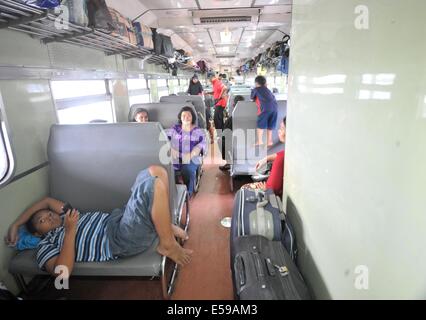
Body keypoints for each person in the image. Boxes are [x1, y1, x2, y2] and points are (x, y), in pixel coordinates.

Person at [4, 166, 193, 277]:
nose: (47, 216)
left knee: (155, 170)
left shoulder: (66, 216)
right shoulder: (47, 243)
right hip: (118, 240)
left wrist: (16, 224)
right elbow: (62, 272)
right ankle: (167, 242)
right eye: (41, 221)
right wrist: (70, 232)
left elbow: (45, 201)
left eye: (45, 214)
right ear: (38, 233)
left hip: (117, 219)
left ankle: (160, 225)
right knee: (153, 185)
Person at [167, 106, 206, 197]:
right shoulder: (175, 128)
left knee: (187, 169)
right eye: (183, 115)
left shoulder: (197, 131)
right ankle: (174, 189)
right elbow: (165, 140)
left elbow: (200, 145)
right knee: (169, 169)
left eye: (189, 115)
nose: (186, 117)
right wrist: (171, 149)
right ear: (180, 117)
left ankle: (188, 192)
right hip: (175, 156)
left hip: (191, 156)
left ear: (192, 118)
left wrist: (190, 155)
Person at [242, 117, 286, 195]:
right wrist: (265, 159)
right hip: (273, 187)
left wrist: (263, 188)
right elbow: (281, 154)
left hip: (271, 193)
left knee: (244, 188)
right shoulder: (290, 153)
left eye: (282, 129)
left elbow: (273, 189)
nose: (279, 131)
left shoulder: (281, 158)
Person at [219, 95, 245, 171]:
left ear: (233, 106)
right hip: (252, 145)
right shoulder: (253, 116)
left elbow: (225, 136)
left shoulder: (230, 120)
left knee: (220, 140)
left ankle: (229, 162)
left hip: (235, 145)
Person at [251, 75, 278, 147]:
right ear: (265, 83)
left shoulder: (256, 89)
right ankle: (269, 141)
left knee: (260, 125)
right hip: (275, 109)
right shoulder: (268, 89)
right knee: (270, 125)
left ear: (256, 83)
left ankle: (260, 141)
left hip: (265, 109)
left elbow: (252, 97)